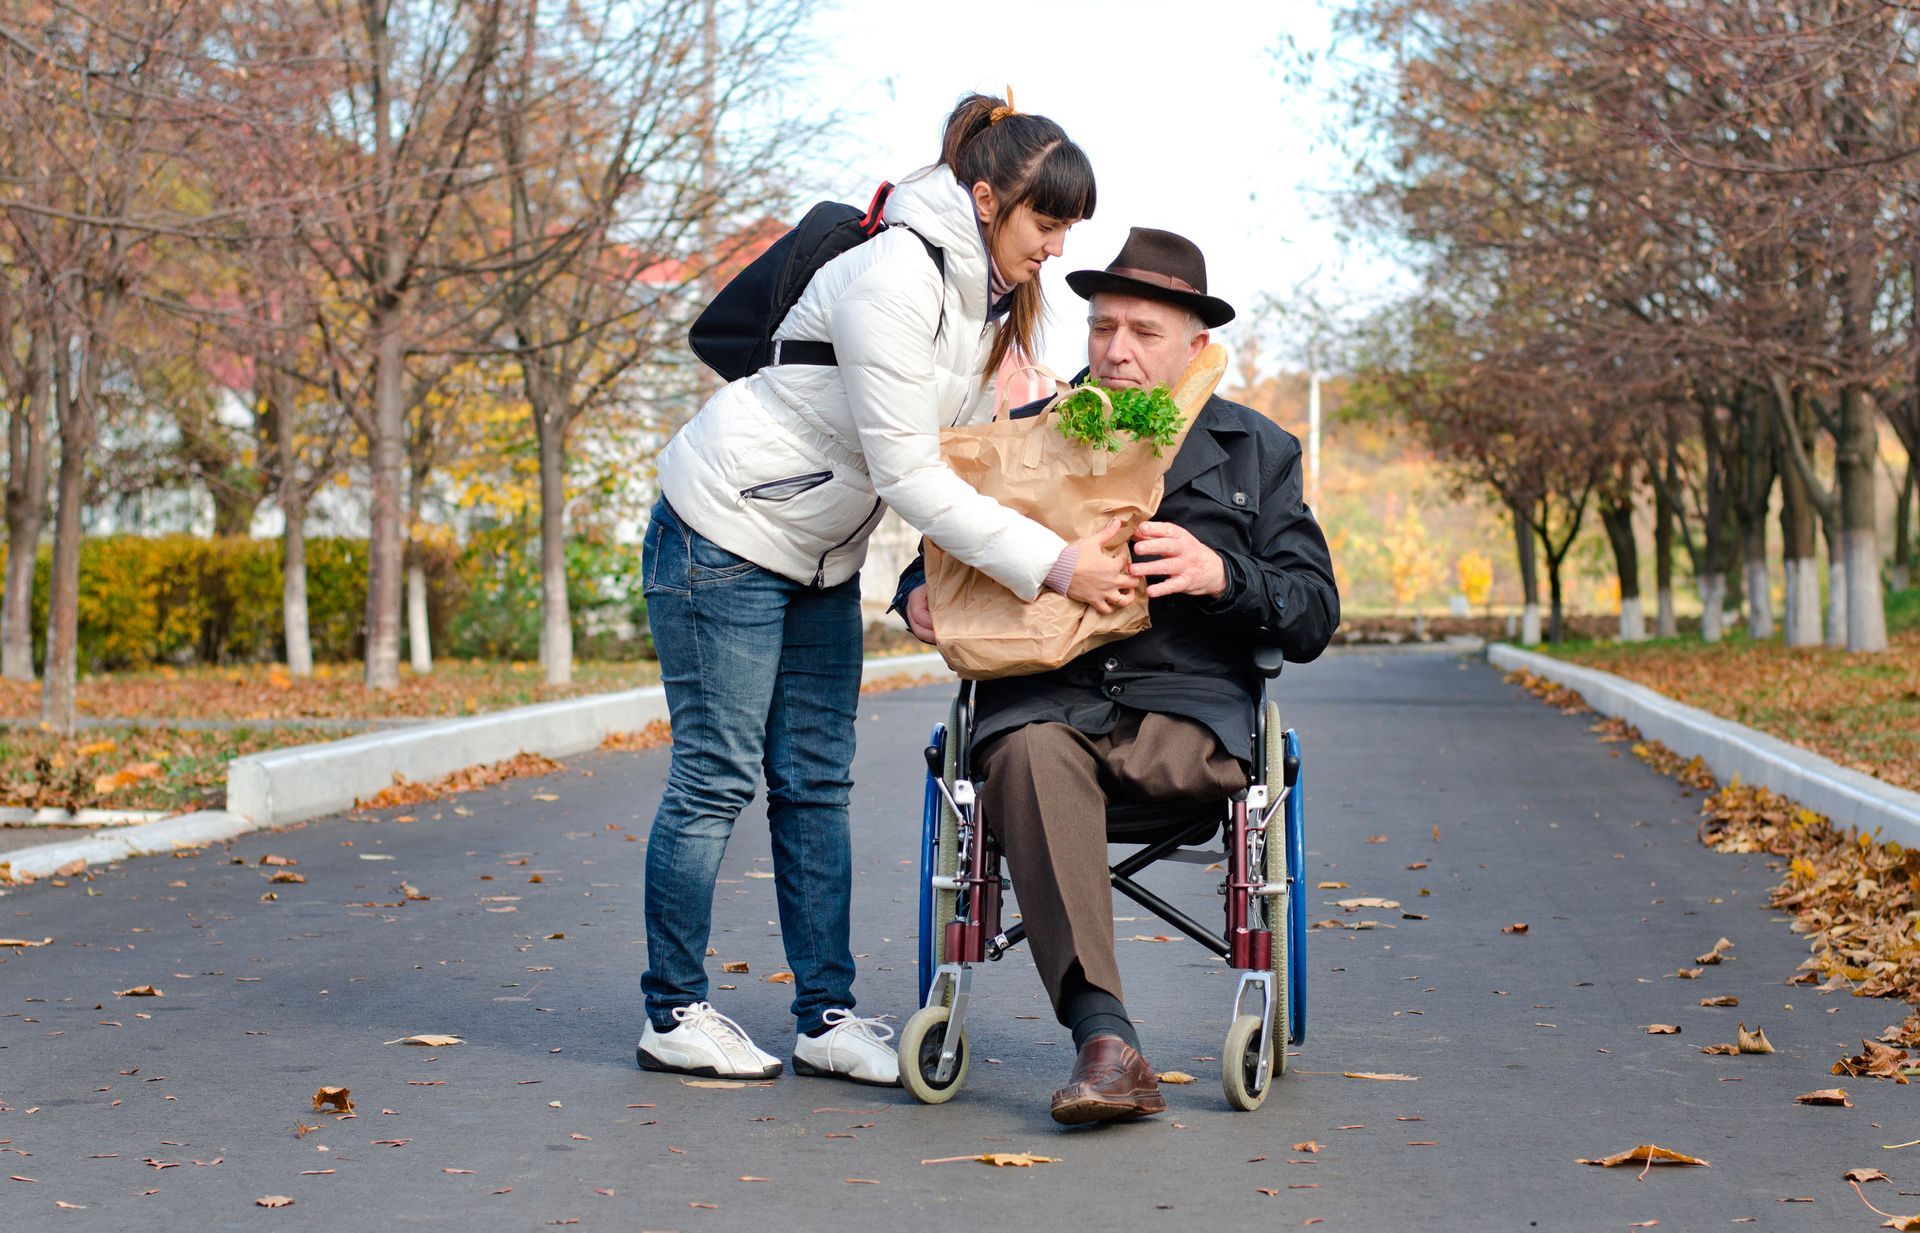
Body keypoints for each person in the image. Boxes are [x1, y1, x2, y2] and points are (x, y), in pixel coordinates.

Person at [636, 92, 1134, 1086]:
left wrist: (923, 568)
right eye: (1047, 223)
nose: (1057, 248)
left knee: (816, 784)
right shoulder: (897, 277)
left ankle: (824, 1016)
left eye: (1070, 228)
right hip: (724, 529)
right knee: (717, 776)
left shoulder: (982, 302)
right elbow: (911, 476)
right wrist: (1056, 563)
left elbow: (962, 455)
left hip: (817, 555)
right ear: (988, 201)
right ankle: (673, 1009)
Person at [893, 227, 1340, 1122]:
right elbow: (938, 552)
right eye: (1103, 328)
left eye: (1143, 331)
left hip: (1186, 719)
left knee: (1055, 745)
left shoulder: (1257, 451)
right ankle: (1106, 1038)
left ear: (1196, 347)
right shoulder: (1029, 439)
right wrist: (914, 598)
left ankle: (1115, 1042)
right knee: (1023, 753)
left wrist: (1224, 575)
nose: (1118, 350)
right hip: (1045, 709)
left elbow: (1314, 609)